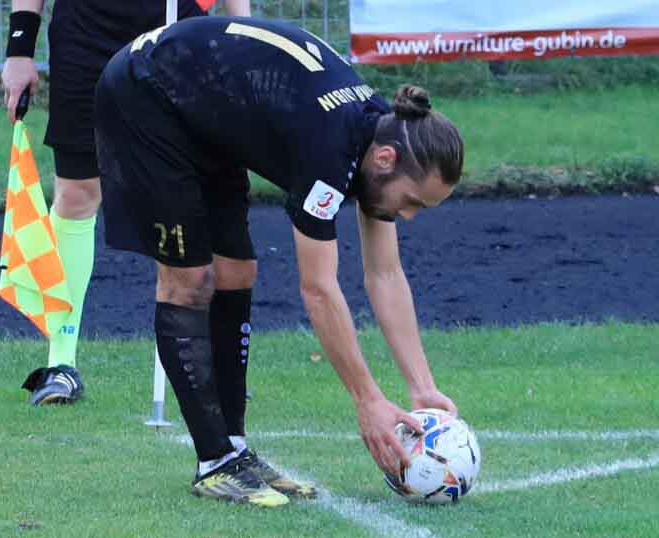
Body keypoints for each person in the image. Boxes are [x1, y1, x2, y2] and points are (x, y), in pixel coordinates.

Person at [94, 16, 464, 506]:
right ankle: (215, 463)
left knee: (236, 272)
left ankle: (236, 450)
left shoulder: (379, 132)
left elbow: (384, 272)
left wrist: (423, 387)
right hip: (146, 94)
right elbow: (318, 288)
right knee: (190, 279)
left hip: (207, 111)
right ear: (386, 160)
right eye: (413, 201)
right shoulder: (331, 147)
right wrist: (367, 400)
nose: (410, 216)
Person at [0, 0, 251, 405]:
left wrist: (244, 34)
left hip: (173, 27)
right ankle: (61, 364)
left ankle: (208, 359)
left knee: (189, 188)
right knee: (77, 192)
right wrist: (19, 49)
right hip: (84, 33)